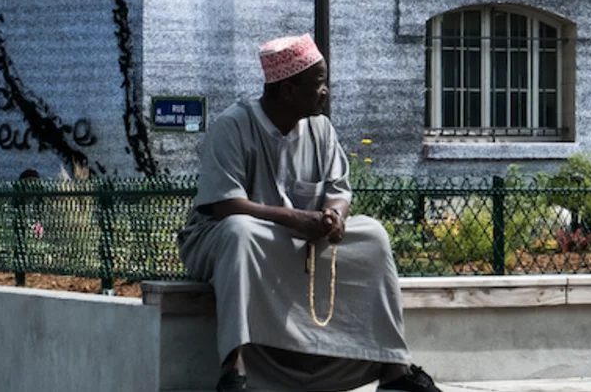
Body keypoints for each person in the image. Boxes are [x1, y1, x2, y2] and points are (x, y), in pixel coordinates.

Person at [179, 34, 443, 392]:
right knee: (240, 231)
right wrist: (296, 220)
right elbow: (225, 204)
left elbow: (338, 190)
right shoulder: (233, 125)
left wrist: (334, 217)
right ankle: (233, 370)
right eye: (319, 83)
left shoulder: (321, 128)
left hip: (296, 237)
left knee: (372, 236)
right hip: (229, 238)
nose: (326, 92)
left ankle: (394, 370)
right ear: (288, 89)